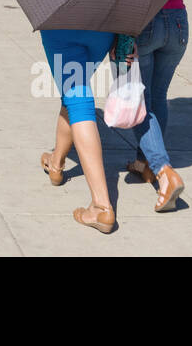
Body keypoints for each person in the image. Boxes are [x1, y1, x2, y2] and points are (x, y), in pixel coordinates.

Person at [124, 0, 192, 212]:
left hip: (145, 20)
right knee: (158, 96)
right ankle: (144, 163)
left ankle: (163, 171)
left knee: (140, 101)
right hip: (177, 22)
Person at [39, 28, 119, 233]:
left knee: (78, 100)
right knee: (73, 93)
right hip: (102, 30)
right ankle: (56, 163)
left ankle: (101, 206)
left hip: (61, 27)